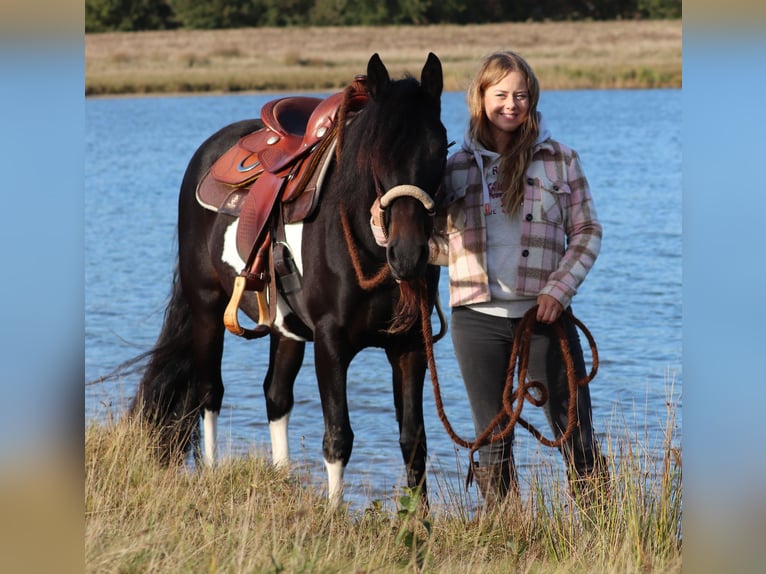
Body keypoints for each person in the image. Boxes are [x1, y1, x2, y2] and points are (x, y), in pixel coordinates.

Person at [372, 50, 608, 508]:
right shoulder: (455, 165)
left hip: (544, 318)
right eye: (500, 94)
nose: (511, 104)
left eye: (521, 94)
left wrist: (558, 291)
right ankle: (506, 537)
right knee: (493, 442)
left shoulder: (561, 160)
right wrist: (383, 227)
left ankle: (606, 535)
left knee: (575, 433)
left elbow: (586, 232)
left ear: (532, 98)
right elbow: (439, 248)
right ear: (480, 98)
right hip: (476, 320)